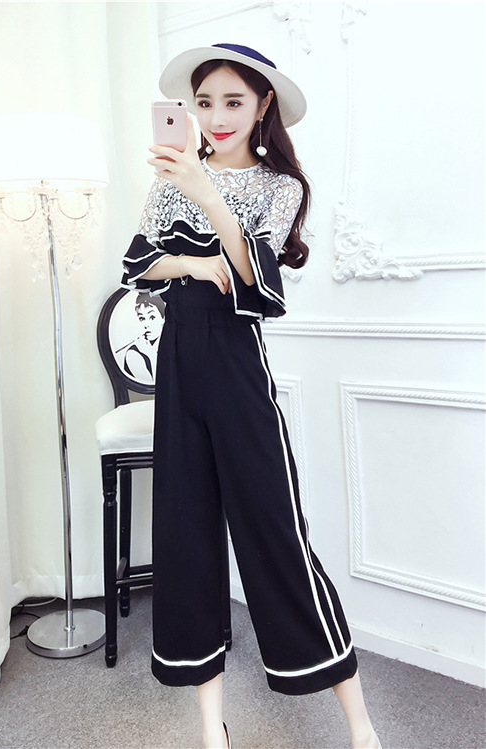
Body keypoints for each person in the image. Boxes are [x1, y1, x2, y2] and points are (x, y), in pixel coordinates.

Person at [121, 44, 382, 749]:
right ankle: (213, 728)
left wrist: (208, 197)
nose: (217, 116)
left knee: (275, 530)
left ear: (262, 105)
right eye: (204, 102)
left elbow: (259, 285)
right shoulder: (171, 179)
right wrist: (197, 259)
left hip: (236, 362)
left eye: (233, 101)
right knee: (185, 535)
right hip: (179, 361)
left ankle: (359, 724)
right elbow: (138, 263)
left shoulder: (279, 186)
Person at [120, 292, 166, 383]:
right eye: (142, 318)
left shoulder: (174, 344)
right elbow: (157, 385)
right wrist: (151, 355)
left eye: (152, 317)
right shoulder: (133, 353)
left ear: (163, 318)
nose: (146, 324)